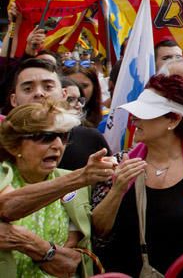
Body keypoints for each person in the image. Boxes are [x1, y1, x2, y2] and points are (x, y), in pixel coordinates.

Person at [91, 74, 183, 278]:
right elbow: (99, 232)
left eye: (144, 113)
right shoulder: (121, 162)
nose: (134, 119)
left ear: (173, 120)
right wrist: (117, 190)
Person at [0, 101, 106, 276]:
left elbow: (68, 264)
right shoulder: (3, 174)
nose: (58, 145)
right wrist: (80, 177)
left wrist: (26, 242)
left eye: (63, 136)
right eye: (46, 136)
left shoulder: (75, 185)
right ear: (14, 145)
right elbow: (6, 207)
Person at [7, 59, 109, 171]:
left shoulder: (90, 139)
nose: (39, 93)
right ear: (14, 100)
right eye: (28, 89)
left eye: (48, 87)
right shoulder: (4, 143)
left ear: (63, 94)